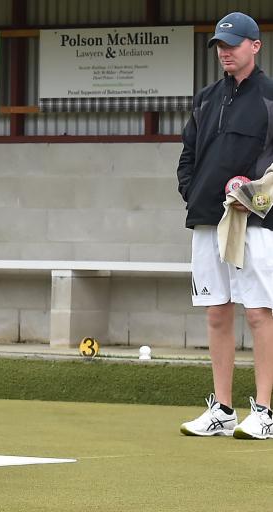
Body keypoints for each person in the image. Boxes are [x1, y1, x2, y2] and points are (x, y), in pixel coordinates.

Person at [177, 12, 273, 439]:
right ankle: (223, 410)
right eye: (219, 45)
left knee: (258, 313)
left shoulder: (271, 95)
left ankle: (266, 411)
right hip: (206, 219)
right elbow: (188, 154)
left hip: (255, 219)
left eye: (233, 44)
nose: (225, 52)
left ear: (256, 45)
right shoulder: (205, 97)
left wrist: (251, 190)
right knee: (217, 313)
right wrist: (191, 190)